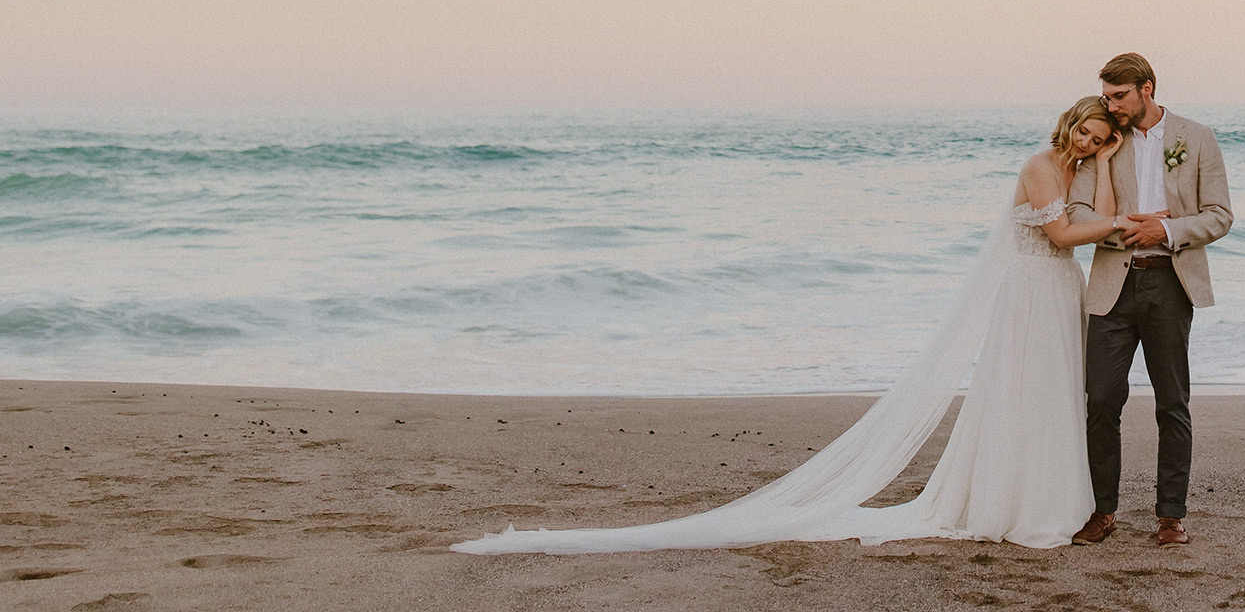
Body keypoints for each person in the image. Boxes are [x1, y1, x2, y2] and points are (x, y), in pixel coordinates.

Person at [450, 96, 1148, 555]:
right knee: (1022, 394)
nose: (1090, 142)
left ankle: (1050, 498)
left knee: (1056, 398)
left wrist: (1112, 173)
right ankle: (1013, 505)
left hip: (1061, 295)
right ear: (1069, 123)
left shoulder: (1081, 166)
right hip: (1033, 290)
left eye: (1102, 137)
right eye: (1087, 132)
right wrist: (1114, 221)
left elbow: (1102, 212)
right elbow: (1060, 236)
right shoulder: (1038, 165)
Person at [1069, 52, 1233, 547]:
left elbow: (1220, 215)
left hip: (1170, 283)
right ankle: (1102, 511)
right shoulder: (1104, 141)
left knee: (1172, 403)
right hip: (1112, 285)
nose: (1111, 105)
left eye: (1119, 96)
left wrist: (1164, 228)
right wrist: (1126, 228)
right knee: (1100, 400)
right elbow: (1076, 213)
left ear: (1147, 88)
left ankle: (1170, 516)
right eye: (1106, 96)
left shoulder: (1196, 138)